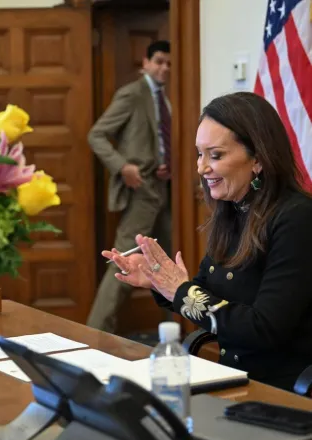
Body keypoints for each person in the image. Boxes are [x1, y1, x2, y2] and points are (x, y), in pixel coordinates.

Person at [104, 91, 312, 392]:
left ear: (257, 159)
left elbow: (263, 329)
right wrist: (159, 281)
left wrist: (180, 289)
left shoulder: (297, 218)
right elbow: (206, 292)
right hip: (234, 381)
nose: (201, 167)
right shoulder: (234, 210)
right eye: (200, 154)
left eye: (215, 155)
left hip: (283, 392)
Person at [87, 40, 173, 333]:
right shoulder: (133, 94)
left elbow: (161, 139)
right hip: (141, 192)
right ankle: (94, 334)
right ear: (145, 63)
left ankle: (173, 333)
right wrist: (123, 167)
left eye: (169, 63)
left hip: (166, 190)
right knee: (122, 261)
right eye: (159, 61)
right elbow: (97, 135)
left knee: (169, 266)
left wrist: (166, 162)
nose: (164, 68)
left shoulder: (169, 97)